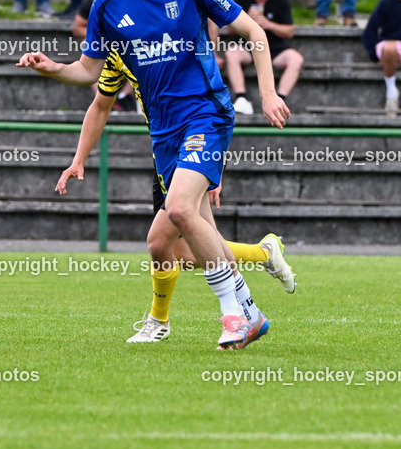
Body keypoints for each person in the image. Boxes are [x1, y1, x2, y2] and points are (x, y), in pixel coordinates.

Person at [18, 0, 290, 349]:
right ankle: (251, 302)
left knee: (181, 211)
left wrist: (266, 92)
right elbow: (90, 73)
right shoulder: (107, 4)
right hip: (163, 133)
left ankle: (236, 316)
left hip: (206, 112)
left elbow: (255, 33)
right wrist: (53, 68)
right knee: (182, 239)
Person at [57, 49, 296, 343]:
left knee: (166, 242)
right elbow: (99, 103)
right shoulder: (120, 51)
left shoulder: (177, 34)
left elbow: (213, 98)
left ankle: (194, 317)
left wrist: (211, 166)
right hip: (166, 150)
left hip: (195, 143)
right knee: (178, 249)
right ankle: (259, 270)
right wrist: (78, 158)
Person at [226, 0, 303, 114]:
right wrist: (245, 20)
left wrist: (269, 25)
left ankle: (279, 100)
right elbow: (229, 30)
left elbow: (289, 31)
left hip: (275, 49)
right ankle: (242, 98)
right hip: (247, 48)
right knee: (231, 53)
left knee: (296, 59)